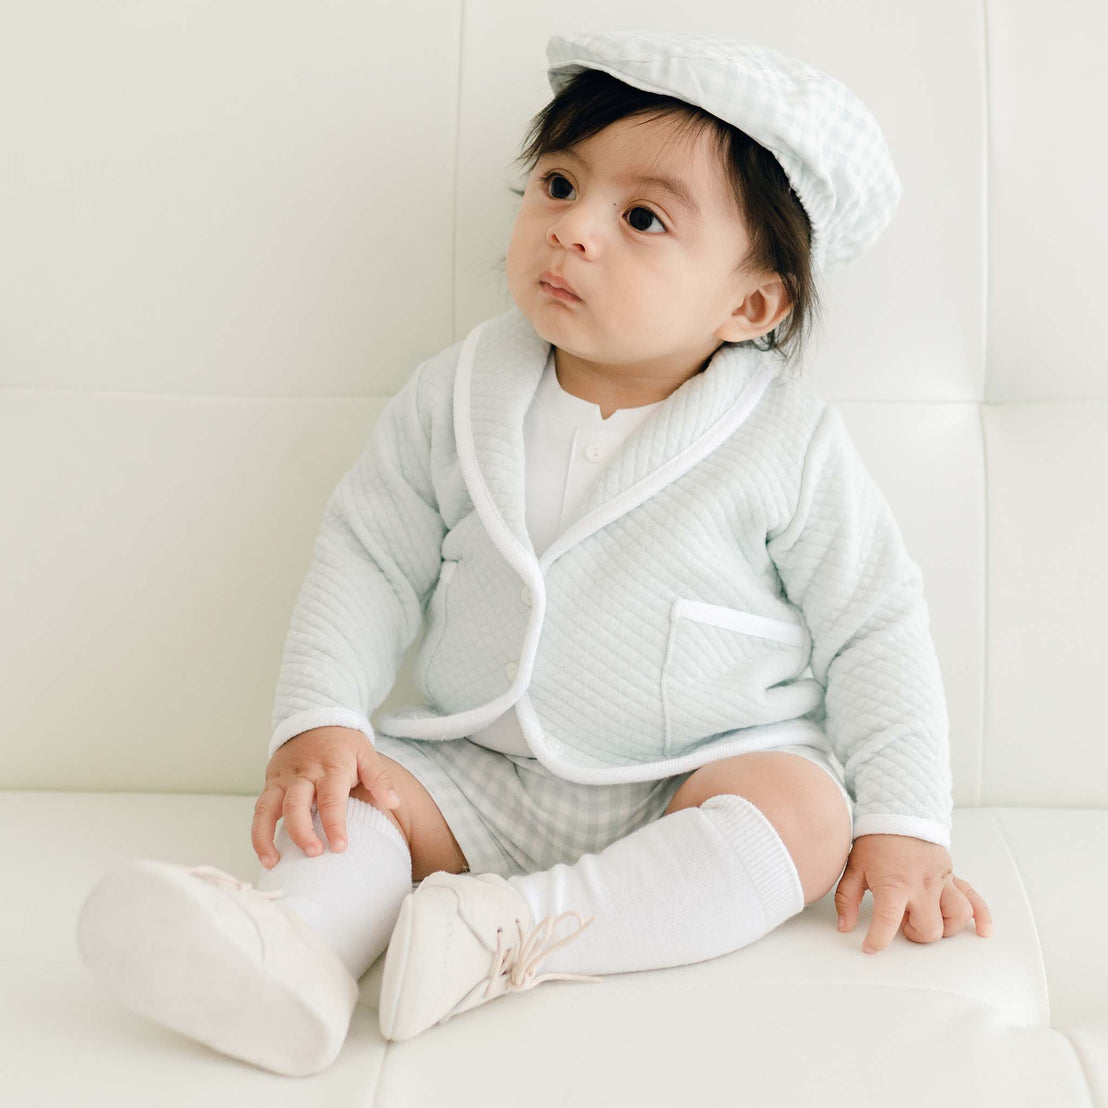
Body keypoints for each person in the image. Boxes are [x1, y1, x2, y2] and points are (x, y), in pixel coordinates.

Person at [76, 28, 994, 1077]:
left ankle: (514, 932)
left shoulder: (785, 438)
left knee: (803, 817)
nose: (572, 232)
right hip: (471, 767)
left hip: (690, 774)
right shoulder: (459, 391)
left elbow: (872, 626)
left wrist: (906, 822)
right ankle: (286, 945)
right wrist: (320, 714)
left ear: (751, 304)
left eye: (641, 217)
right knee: (357, 802)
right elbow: (370, 552)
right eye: (558, 185)